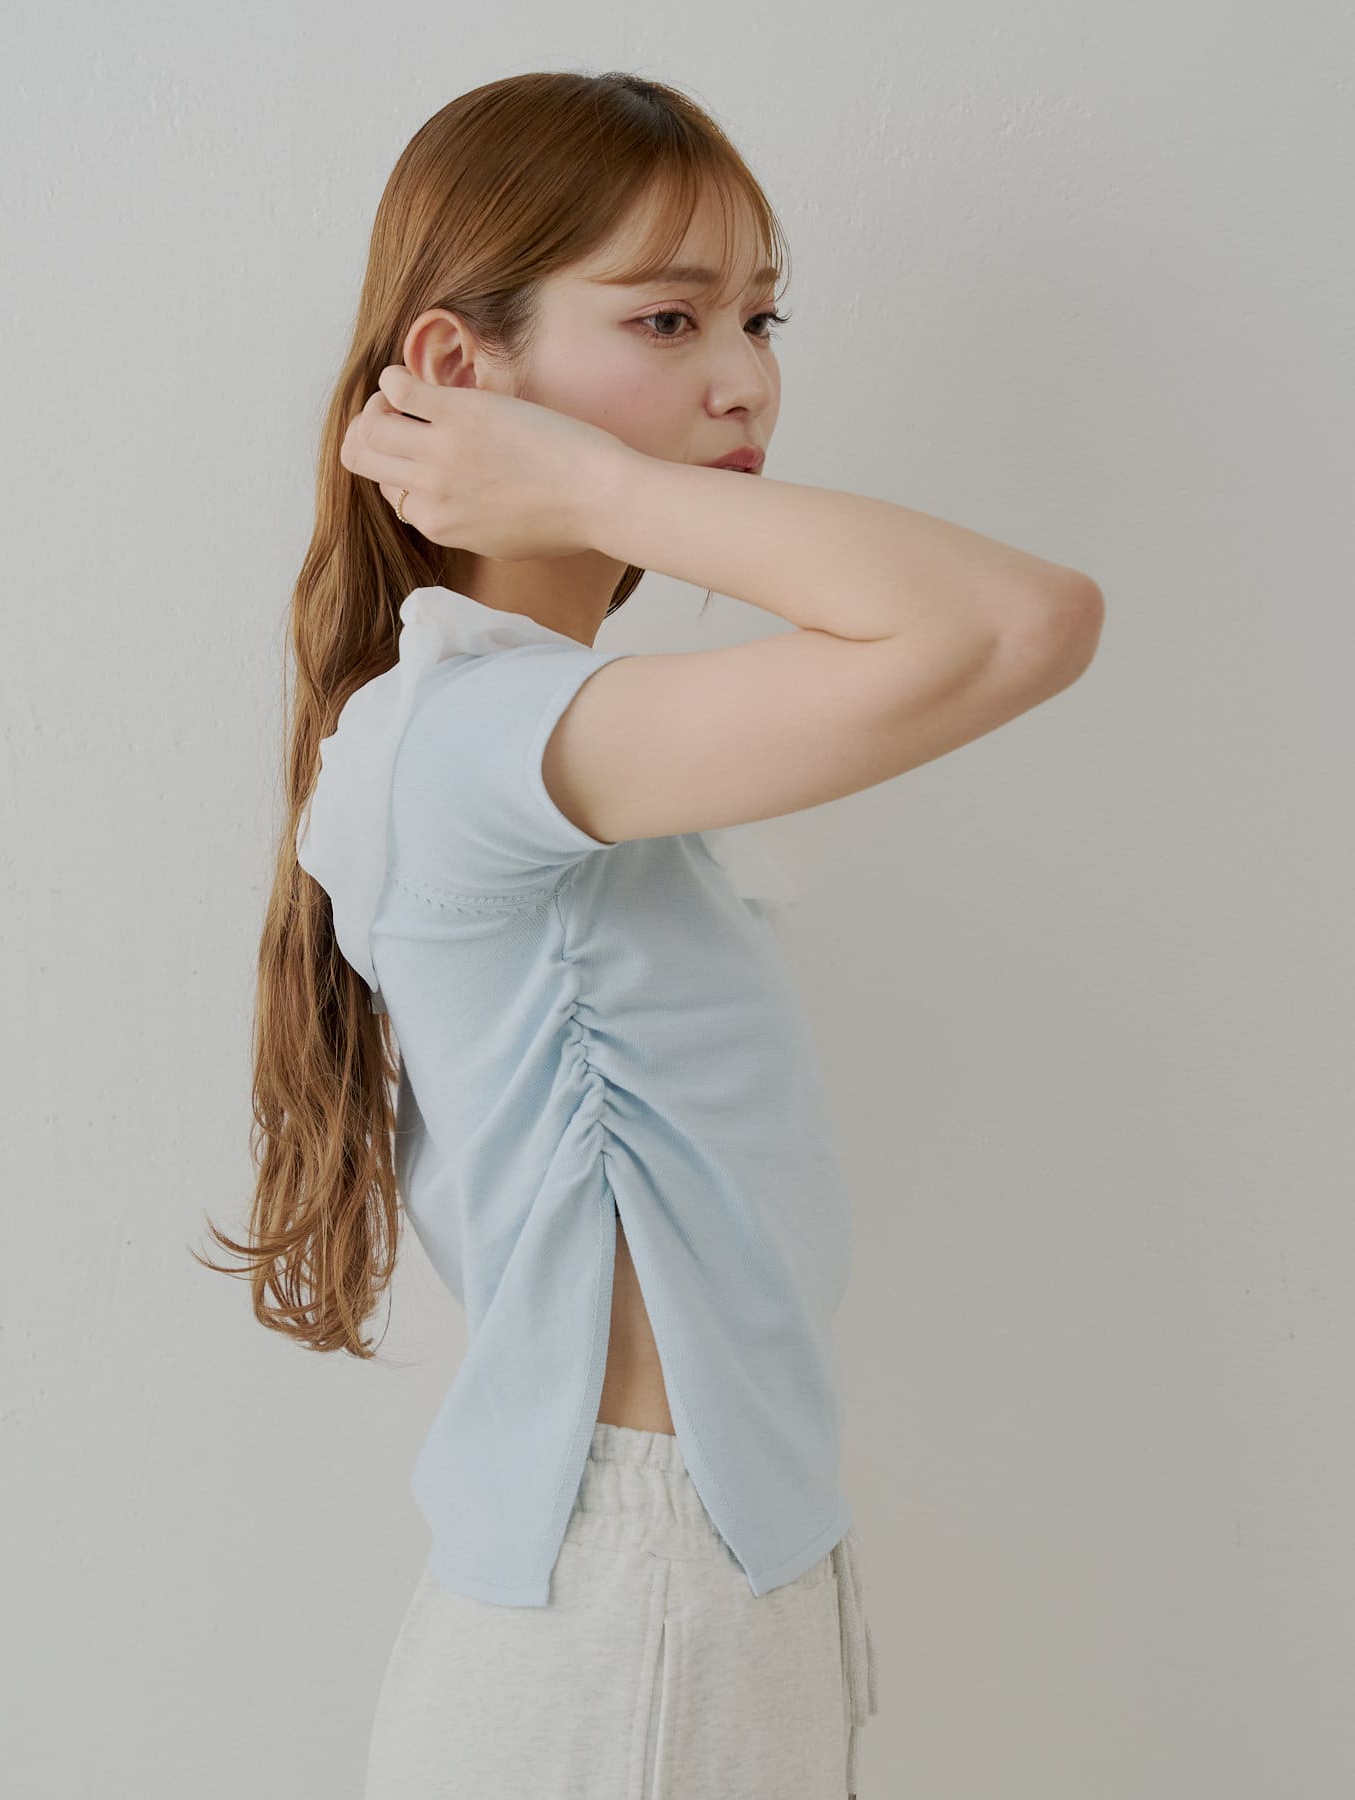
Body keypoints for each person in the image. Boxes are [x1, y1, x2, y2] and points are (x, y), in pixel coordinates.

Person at [198, 69, 1104, 1799]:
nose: (745, 376)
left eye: (762, 317)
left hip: (687, 1597)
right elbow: (1017, 624)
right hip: (637, 1616)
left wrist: (588, 482)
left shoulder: (546, 728)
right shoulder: (467, 740)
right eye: (669, 318)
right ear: (460, 368)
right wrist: (592, 489)